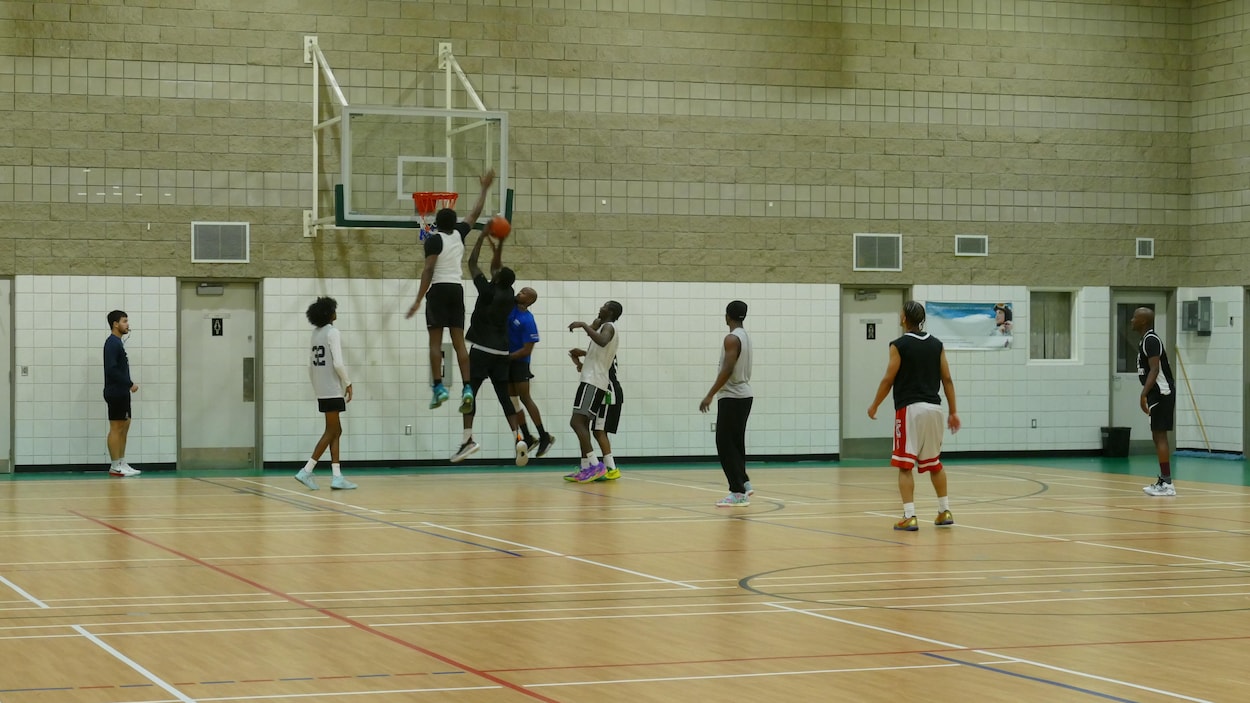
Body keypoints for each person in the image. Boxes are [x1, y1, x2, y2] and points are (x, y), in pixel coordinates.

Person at [405, 170, 495, 413]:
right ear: (453, 222)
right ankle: (467, 388)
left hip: (438, 291)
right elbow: (475, 213)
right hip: (456, 290)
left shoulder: (433, 240)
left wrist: (417, 299)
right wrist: (485, 188)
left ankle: (439, 388)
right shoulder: (459, 234)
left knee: (435, 342)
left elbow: (428, 270)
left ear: (436, 223)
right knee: (458, 343)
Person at [867, 300, 961, 531]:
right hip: (935, 410)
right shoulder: (937, 345)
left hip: (910, 409)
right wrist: (954, 411)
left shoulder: (899, 345)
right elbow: (947, 379)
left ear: (904, 319)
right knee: (935, 463)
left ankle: (910, 515)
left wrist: (875, 405)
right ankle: (944, 510)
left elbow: (888, 378)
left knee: (904, 465)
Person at [450, 224, 528, 464]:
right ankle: (518, 438)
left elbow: (472, 263)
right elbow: (498, 269)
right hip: (502, 351)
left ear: (495, 277)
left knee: (469, 394)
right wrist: (500, 244)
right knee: (505, 397)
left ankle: (467, 440)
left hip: (482, 349)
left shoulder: (486, 290)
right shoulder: (509, 292)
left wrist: (482, 238)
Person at [294, 296, 356, 491]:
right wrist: (348, 382)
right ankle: (306, 469)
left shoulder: (315, 333)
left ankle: (337, 476)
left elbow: (309, 366)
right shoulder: (332, 332)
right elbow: (337, 363)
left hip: (322, 387)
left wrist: (316, 387)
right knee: (331, 431)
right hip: (332, 388)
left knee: (336, 430)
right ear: (329, 313)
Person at [700, 300, 754, 507]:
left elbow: (728, 368)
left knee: (725, 444)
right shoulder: (745, 336)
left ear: (727, 316)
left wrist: (710, 394)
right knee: (736, 443)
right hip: (744, 395)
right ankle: (745, 482)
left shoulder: (731, 338)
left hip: (732, 396)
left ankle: (737, 492)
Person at [564, 301, 623, 483]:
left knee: (577, 423)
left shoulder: (608, 327)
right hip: (592, 380)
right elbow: (596, 351)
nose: (600, 307)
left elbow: (602, 341)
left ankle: (595, 465)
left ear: (611, 312)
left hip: (594, 382)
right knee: (583, 425)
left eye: (604, 306)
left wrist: (582, 325)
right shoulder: (603, 327)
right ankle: (586, 468)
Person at [1133, 306, 1177, 496]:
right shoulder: (1145, 340)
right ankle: (1164, 481)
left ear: (1143, 321)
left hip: (1161, 393)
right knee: (1156, 436)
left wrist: (1143, 394)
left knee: (1160, 436)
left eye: (1134, 318)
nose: (1131, 321)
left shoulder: (1151, 339)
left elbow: (1155, 369)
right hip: (1156, 394)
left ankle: (1167, 484)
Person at [507, 287, 555, 458]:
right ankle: (528, 436)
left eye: (523, 293)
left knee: (525, 398)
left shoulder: (528, 320)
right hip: (508, 362)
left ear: (529, 300)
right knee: (513, 401)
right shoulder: (510, 307)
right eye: (520, 291)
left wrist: (507, 358)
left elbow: (527, 350)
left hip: (519, 363)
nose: (519, 293)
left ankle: (544, 436)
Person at [103, 310, 140, 477]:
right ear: (115, 324)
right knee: (116, 428)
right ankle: (115, 465)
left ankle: (122, 462)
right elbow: (111, 369)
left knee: (125, 425)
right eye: (124, 321)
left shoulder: (118, 343)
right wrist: (129, 383)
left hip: (122, 391)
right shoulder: (112, 343)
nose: (127, 324)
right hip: (116, 391)